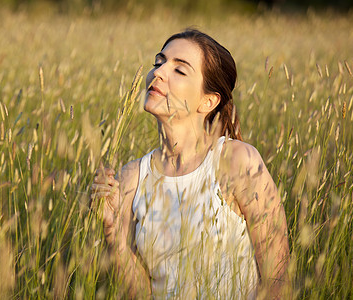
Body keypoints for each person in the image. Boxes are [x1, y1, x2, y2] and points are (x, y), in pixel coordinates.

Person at [91, 29, 289, 299]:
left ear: (208, 101)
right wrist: (113, 234)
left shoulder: (237, 162)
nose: (158, 73)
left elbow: (278, 278)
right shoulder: (132, 177)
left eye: (179, 70)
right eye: (159, 62)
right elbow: (140, 293)